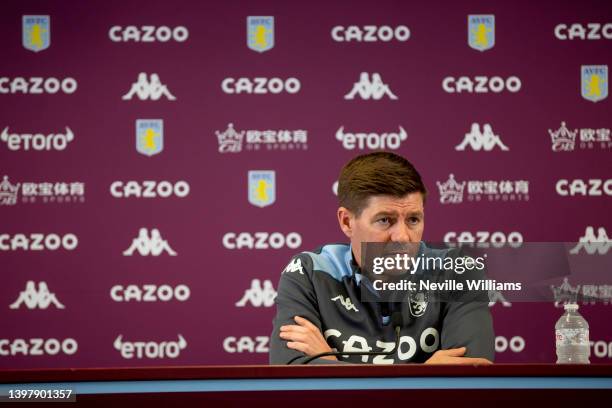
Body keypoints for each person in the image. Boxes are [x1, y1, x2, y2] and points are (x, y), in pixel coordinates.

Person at [269, 152, 494, 364]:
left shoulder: (457, 271)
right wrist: (426, 374)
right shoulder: (310, 271)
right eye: (385, 220)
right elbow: (293, 377)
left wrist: (330, 364)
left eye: (413, 219)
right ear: (347, 222)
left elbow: (467, 379)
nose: (403, 236)